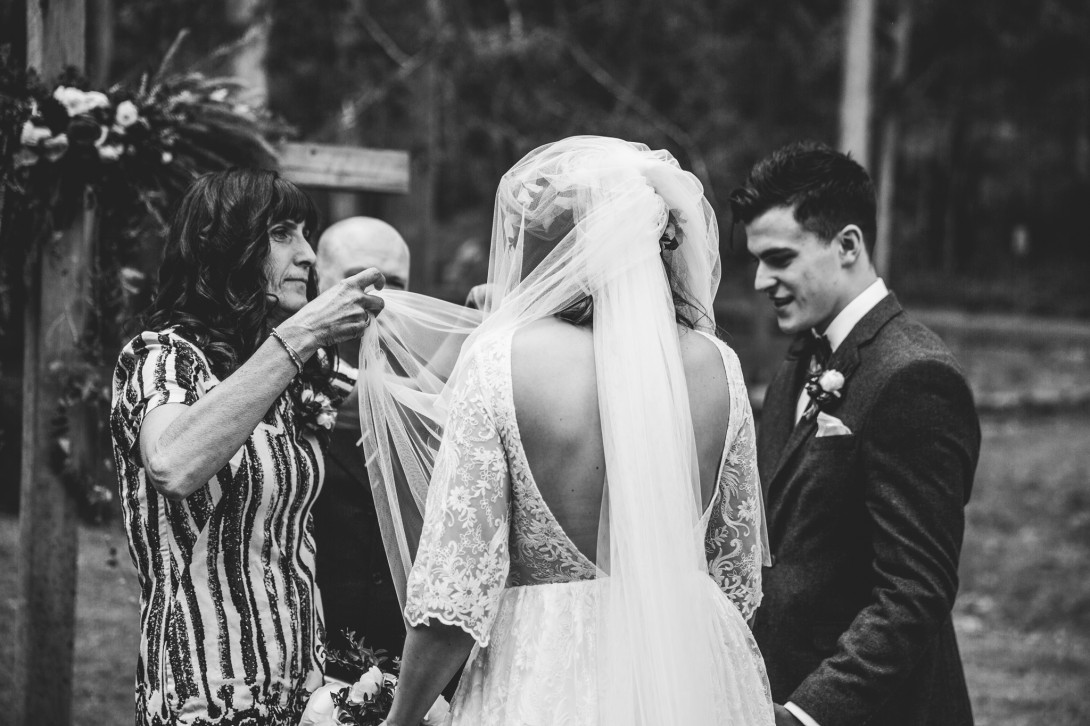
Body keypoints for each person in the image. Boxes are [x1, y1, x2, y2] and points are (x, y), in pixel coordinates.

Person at [354, 136, 775, 725]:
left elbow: (455, 598)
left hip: (546, 675)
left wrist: (400, 719)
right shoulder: (718, 367)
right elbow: (735, 579)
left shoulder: (501, 361)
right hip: (693, 673)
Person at [110, 169, 386, 725]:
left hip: (304, 692)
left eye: (306, 234)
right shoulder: (163, 358)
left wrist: (491, 326)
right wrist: (303, 333)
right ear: (225, 247)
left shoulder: (302, 374)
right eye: (282, 233)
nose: (308, 254)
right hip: (205, 693)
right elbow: (172, 464)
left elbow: (409, 402)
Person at [730, 142, 980, 726]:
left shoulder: (916, 376)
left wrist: (806, 715)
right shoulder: (801, 358)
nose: (762, 280)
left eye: (780, 258)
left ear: (847, 245)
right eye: (758, 261)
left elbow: (914, 591)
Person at [311, 217, 411, 674]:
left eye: (396, 285)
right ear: (318, 283)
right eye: (358, 280)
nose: (377, 299)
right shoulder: (282, 380)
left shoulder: (434, 388)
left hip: (405, 658)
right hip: (312, 649)